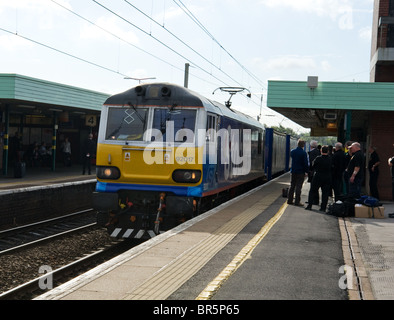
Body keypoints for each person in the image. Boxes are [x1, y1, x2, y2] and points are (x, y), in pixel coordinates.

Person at [305, 145, 332, 212]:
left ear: (321, 151)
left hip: (318, 176)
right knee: (325, 193)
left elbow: (312, 166)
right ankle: (323, 208)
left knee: (312, 191)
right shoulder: (330, 159)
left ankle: (309, 206)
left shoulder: (318, 158)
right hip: (327, 177)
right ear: (328, 151)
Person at [287, 139, 309, 206]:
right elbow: (305, 163)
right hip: (301, 172)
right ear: (303, 145)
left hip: (293, 171)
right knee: (298, 187)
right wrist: (306, 171)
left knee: (292, 186)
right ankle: (297, 202)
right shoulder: (304, 153)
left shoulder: (293, 151)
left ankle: (289, 200)